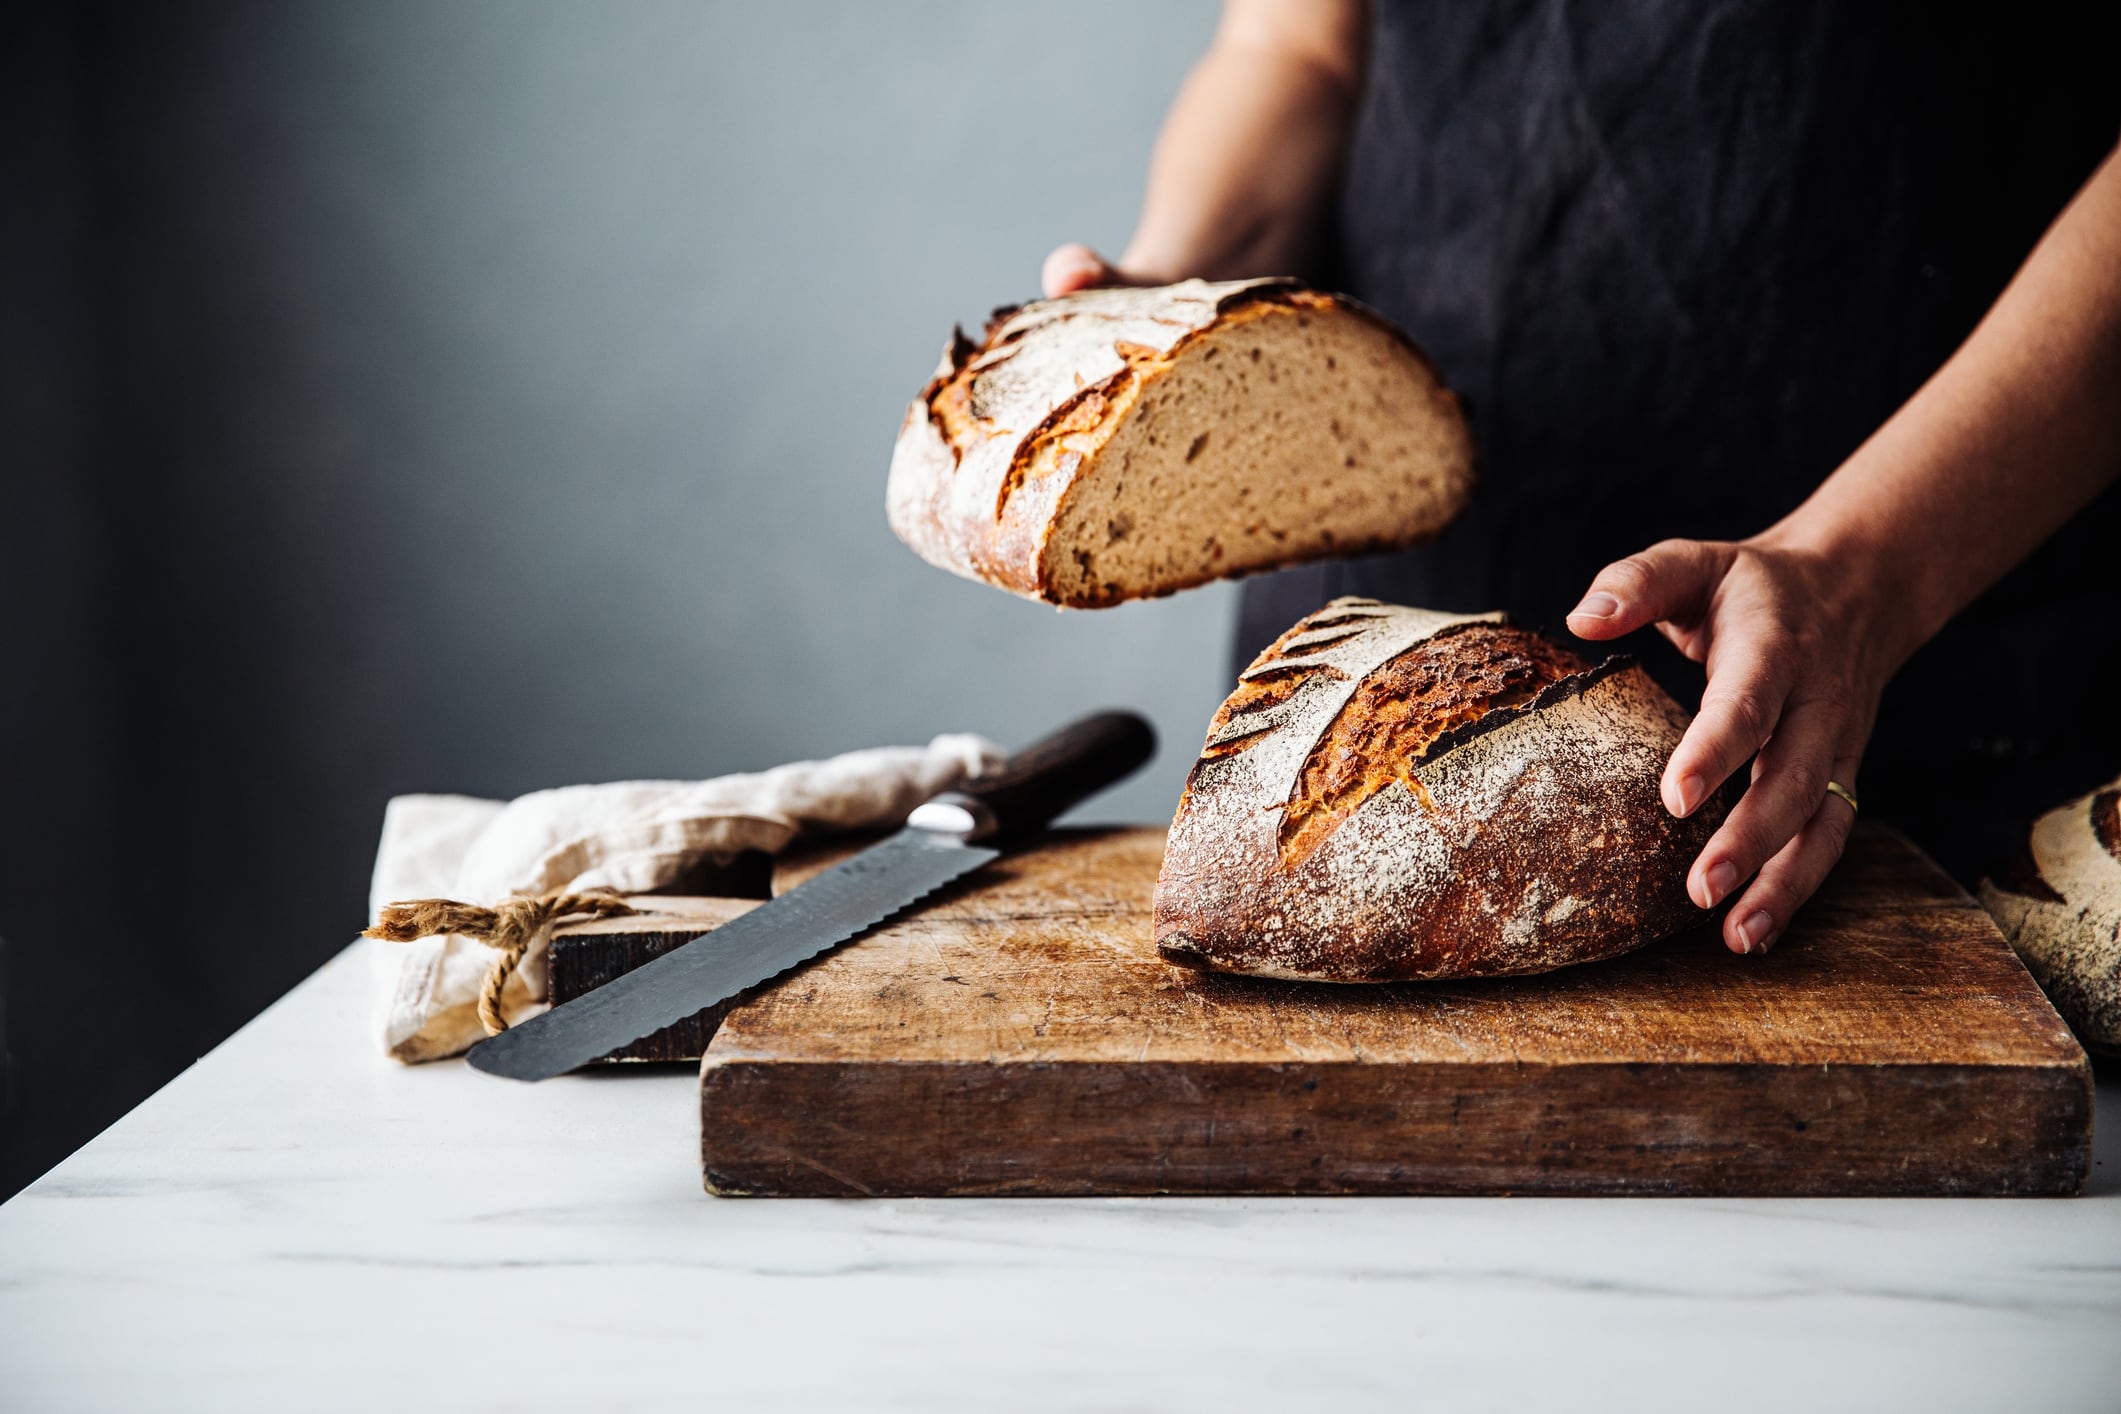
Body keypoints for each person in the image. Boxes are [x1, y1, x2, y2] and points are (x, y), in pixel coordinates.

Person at [1043, 0, 2121, 957]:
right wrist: (1174, 309)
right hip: (1365, 667)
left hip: (1943, 595)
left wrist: (1867, 570)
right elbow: (1298, 45)